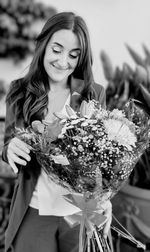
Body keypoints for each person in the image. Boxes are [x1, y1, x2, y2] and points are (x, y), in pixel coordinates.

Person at [2, 12, 113, 252]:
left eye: (74, 55)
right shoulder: (19, 92)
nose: (64, 62)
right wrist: (10, 148)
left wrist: (104, 199)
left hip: (79, 212)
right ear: (43, 46)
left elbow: (102, 157)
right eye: (57, 50)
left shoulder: (94, 93)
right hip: (34, 209)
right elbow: (9, 142)